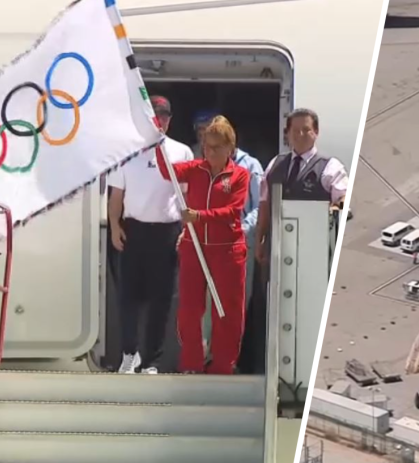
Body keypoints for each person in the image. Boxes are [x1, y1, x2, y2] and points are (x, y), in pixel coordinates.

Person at [155, 115, 249, 375]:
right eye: (207, 146)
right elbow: (166, 171)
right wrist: (157, 140)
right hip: (194, 247)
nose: (210, 152)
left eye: (217, 147)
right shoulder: (195, 168)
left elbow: (234, 210)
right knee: (189, 309)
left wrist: (200, 216)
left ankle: (223, 364)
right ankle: (192, 363)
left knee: (228, 310)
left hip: (228, 248)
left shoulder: (240, 175)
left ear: (230, 148)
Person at [107, 95, 194, 374]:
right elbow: (116, 195)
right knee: (129, 298)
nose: (161, 120)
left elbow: (187, 197)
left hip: (167, 233)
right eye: (156, 115)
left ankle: (151, 361)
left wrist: (186, 231)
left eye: (165, 115)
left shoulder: (182, 152)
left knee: (161, 299)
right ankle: (128, 354)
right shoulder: (128, 152)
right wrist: (114, 225)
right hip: (134, 230)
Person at [255, 108, 349, 265]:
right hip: (278, 247)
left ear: (316, 132)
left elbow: (344, 200)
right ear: (287, 133)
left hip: (313, 249)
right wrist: (260, 239)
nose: (300, 135)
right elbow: (264, 204)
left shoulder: (330, 167)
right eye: (295, 130)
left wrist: (327, 213)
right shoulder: (275, 164)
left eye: (306, 130)